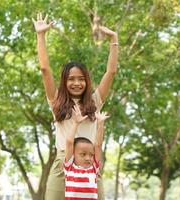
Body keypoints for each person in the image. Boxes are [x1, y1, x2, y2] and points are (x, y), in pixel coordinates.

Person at [32, 12, 118, 200]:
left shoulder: (94, 101)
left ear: (87, 81)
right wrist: (40, 36)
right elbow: (45, 70)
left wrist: (114, 39)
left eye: (81, 79)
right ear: (65, 82)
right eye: (71, 79)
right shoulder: (56, 101)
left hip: (90, 162)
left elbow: (110, 72)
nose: (76, 83)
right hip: (64, 161)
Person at [64, 104, 109, 199]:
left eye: (91, 155)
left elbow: (98, 145)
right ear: (73, 155)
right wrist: (76, 123)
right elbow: (69, 142)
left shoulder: (93, 168)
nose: (88, 158)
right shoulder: (69, 168)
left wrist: (100, 123)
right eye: (83, 154)